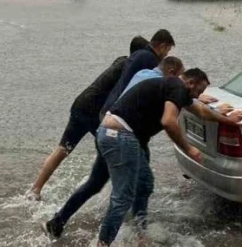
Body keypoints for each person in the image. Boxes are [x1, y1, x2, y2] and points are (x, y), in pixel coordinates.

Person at [43, 30, 176, 238]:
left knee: (95, 183)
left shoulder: (135, 60)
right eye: (167, 50)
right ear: (162, 46)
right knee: (143, 183)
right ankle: (138, 233)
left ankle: (58, 220)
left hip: (107, 125)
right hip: (125, 133)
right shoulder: (149, 60)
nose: (166, 55)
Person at [94, 69, 242, 246]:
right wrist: (188, 148)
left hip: (122, 135)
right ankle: (103, 243)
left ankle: (139, 234)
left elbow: (202, 111)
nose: (199, 95)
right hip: (119, 135)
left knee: (144, 184)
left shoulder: (175, 89)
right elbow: (168, 121)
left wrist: (227, 120)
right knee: (124, 196)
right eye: (199, 90)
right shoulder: (177, 86)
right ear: (190, 83)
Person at [29, 36, 150, 200]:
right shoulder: (128, 69)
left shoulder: (121, 61)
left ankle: (35, 190)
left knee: (63, 149)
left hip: (81, 104)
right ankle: (118, 193)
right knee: (116, 149)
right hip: (94, 112)